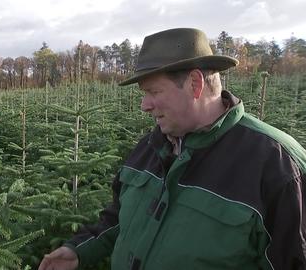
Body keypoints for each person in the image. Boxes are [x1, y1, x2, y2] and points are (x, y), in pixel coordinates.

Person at [38, 28, 306, 270]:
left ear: (195, 83)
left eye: (153, 91)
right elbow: (118, 218)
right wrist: (79, 251)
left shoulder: (276, 164)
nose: (144, 105)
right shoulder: (149, 147)